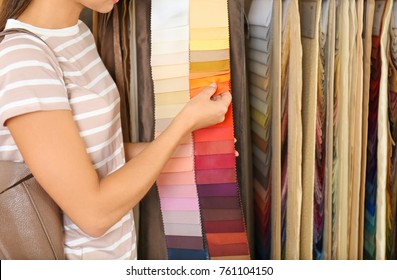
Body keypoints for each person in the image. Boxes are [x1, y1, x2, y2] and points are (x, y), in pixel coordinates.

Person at [0, 0, 232, 260]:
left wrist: (188, 147)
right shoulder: (22, 59)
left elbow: (95, 156)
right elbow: (93, 214)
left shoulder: (77, 34)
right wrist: (183, 124)